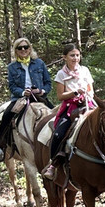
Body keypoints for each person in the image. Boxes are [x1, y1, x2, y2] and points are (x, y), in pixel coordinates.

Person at [0, 37, 52, 162]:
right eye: (20, 48)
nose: (23, 50)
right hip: (21, 98)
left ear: (30, 49)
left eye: (25, 47)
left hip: (39, 97)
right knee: (7, 115)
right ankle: (1, 146)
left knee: (55, 115)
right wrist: (23, 92)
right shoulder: (12, 67)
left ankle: (58, 145)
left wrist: (41, 90)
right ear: (16, 50)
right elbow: (12, 86)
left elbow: (48, 83)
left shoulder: (39, 63)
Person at [41, 44, 95, 178]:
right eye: (72, 55)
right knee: (59, 134)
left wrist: (86, 95)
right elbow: (60, 96)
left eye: (77, 55)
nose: (75, 58)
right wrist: (75, 92)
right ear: (64, 57)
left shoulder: (85, 71)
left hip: (87, 103)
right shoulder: (61, 74)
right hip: (70, 107)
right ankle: (53, 164)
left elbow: (91, 90)